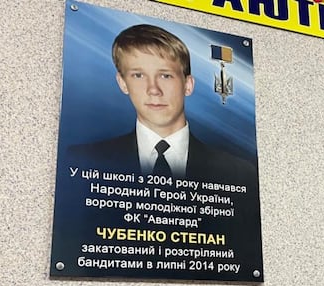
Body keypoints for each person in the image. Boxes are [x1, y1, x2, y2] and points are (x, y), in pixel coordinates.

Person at [68, 24, 255, 184]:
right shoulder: (81, 161)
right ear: (123, 83)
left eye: (165, 75)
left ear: (187, 85)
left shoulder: (239, 174)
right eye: (138, 75)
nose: (153, 89)